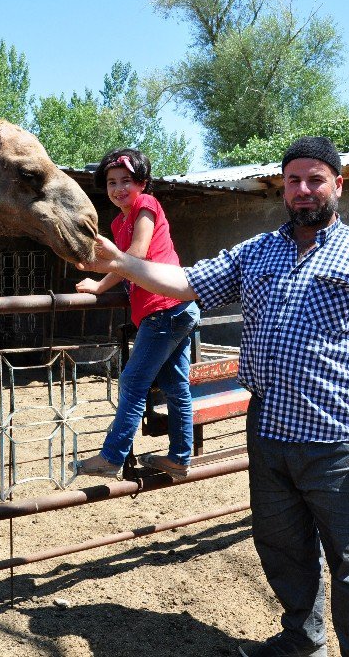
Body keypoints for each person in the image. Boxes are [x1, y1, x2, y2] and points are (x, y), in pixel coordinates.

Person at [77, 137, 349, 657]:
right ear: (282, 187)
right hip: (267, 430)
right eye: (293, 181)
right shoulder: (256, 252)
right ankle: (301, 643)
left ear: (337, 186)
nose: (303, 191)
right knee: (282, 547)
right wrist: (123, 264)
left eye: (314, 180)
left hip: (337, 437)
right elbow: (186, 282)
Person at [70, 148, 201, 480]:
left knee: (132, 381)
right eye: (111, 182)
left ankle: (112, 457)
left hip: (164, 308)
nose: (118, 189)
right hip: (176, 308)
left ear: (142, 182)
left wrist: (101, 279)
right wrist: (102, 283)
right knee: (174, 385)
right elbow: (125, 262)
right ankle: (180, 458)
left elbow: (136, 254)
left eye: (126, 181)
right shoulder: (119, 220)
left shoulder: (146, 205)